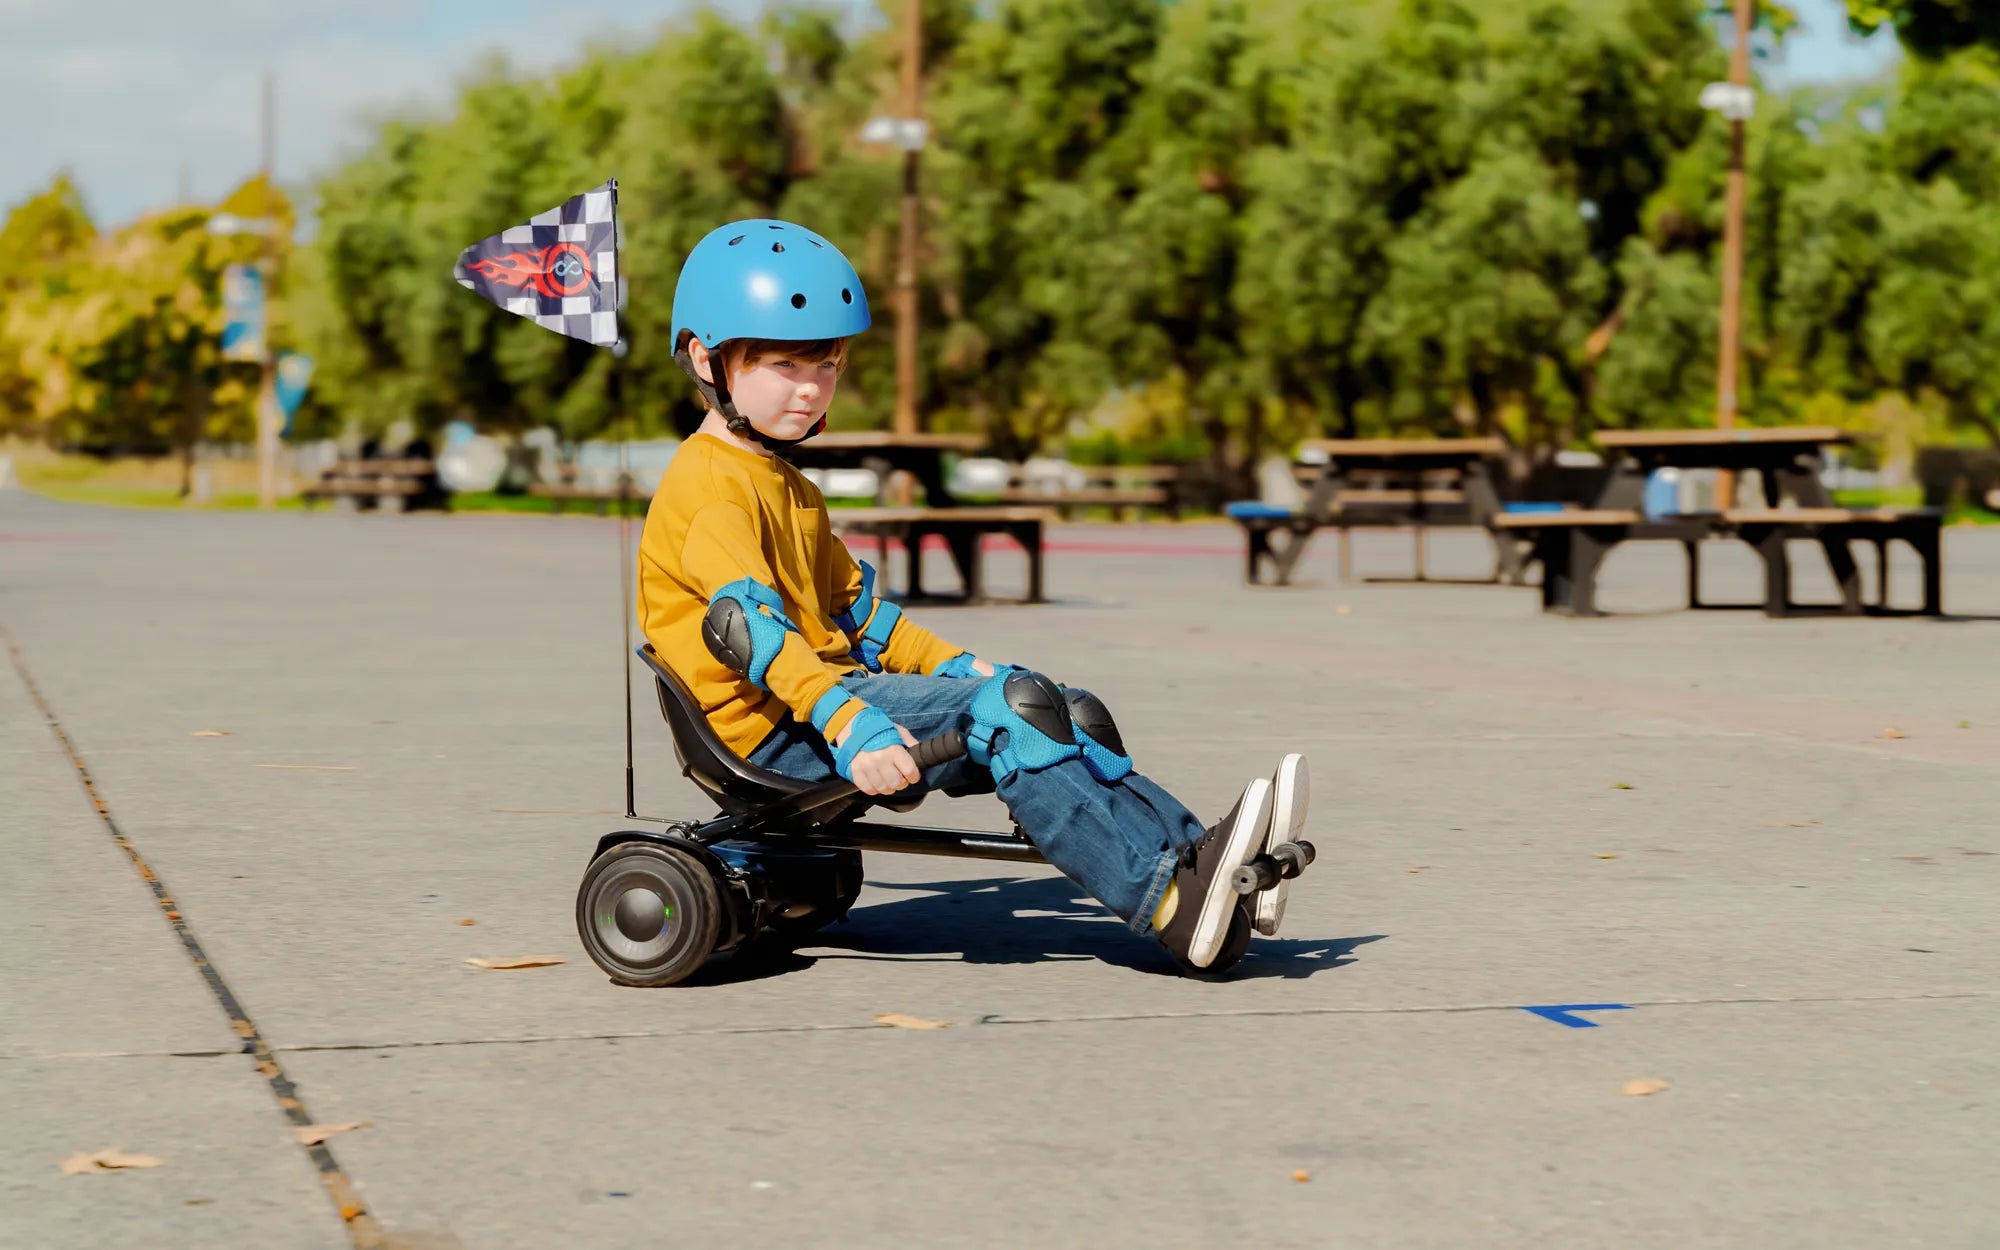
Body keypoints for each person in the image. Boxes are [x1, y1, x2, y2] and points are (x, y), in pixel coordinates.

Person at [633, 218, 1310, 970]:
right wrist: (849, 725)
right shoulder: (711, 490)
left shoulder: (786, 483)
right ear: (707, 358)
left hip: (828, 699)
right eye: (786, 364)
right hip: (779, 729)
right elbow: (752, 632)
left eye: (827, 365)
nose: (810, 387)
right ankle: (1174, 905)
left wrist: (962, 666)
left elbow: (861, 615)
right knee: (1010, 717)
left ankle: (1206, 866)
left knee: (1052, 702)